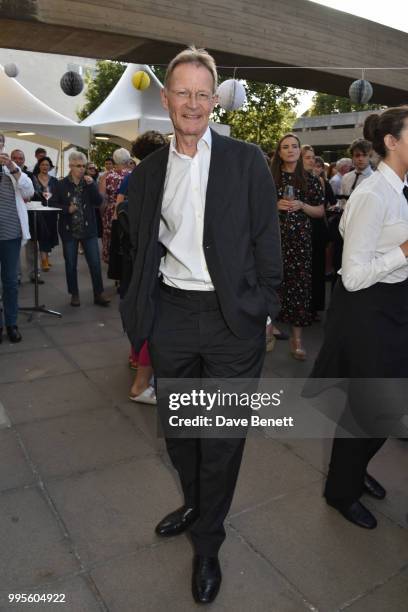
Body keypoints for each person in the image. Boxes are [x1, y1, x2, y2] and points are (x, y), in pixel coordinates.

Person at [121, 46, 282, 604]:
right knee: (182, 432)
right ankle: (193, 503)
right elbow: (136, 247)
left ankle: (207, 543)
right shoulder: (148, 173)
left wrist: (263, 306)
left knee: (222, 440)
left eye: (201, 93)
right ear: (165, 100)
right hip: (172, 316)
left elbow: (268, 239)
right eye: (181, 92)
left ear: (215, 100)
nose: (191, 103)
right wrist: (139, 308)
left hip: (231, 320)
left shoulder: (245, 161)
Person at [309, 107, 408, 529]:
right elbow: (352, 276)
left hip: (396, 306)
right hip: (369, 311)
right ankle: (340, 491)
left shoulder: (401, 189)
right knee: (370, 410)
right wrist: (404, 252)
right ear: (391, 141)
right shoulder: (372, 194)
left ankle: (353, 471)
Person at [271, 133, 324, 360]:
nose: (291, 150)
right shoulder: (270, 177)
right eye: (286, 147)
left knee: (299, 289)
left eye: (294, 146)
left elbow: (320, 211)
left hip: (301, 242)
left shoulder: (310, 179)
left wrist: (302, 205)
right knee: (271, 286)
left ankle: (297, 340)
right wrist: (274, 206)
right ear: (279, 152)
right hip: (273, 241)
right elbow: (254, 208)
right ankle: (267, 332)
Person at [55, 151, 110, 307]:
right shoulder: (61, 184)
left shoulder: (88, 183)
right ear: (71, 166)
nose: (82, 169)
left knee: (94, 263)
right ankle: (74, 294)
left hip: (88, 230)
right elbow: (52, 204)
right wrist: (67, 209)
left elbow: (99, 201)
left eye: (84, 166)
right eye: (78, 166)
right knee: (71, 264)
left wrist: (92, 184)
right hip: (69, 230)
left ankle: (99, 293)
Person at [0, 133, 34, 343]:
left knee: (11, 282)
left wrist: (13, 169)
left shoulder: (12, 169)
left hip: (11, 234)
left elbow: (29, 191)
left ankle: (11, 323)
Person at [99, 148, 131, 264]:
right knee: (125, 238)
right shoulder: (133, 175)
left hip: (110, 210)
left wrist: (102, 214)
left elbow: (102, 199)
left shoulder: (106, 176)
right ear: (128, 160)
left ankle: (112, 265)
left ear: (114, 160)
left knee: (111, 238)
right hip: (128, 211)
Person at [32, 156, 59, 272]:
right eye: (42, 164)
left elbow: (57, 195)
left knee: (49, 235)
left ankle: (46, 258)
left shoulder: (54, 180)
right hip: (39, 211)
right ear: (39, 166)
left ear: (50, 167)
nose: (45, 167)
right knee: (43, 234)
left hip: (51, 212)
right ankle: (44, 261)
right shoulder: (33, 179)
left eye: (47, 165)